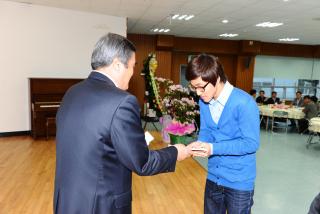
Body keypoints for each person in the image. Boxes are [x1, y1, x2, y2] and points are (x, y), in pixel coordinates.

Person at [53, 33, 190, 214]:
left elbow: (95, 142)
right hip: (100, 206)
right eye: (132, 66)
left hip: (67, 201)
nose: (133, 73)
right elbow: (142, 163)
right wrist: (175, 152)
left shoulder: (73, 92)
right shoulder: (122, 101)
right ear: (118, 65)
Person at [185, 54, 260, 214]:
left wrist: (212, 149)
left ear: (216, 78)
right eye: (194, 87)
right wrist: (199, 145)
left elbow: (251, 143)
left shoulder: (244, 103)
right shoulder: (204, 101)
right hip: (213, 176)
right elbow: (206, 131)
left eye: (201, 86)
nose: (198, 93)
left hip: (239, 182)